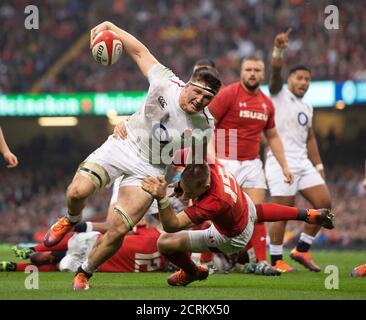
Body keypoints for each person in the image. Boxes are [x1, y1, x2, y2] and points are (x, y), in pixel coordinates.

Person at [42, 21, 221, 290]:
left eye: (206, 100)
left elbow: (198, 163)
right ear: (188, 84)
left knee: (118, 230)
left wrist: (179, 187)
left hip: (150, 170)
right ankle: (71, 219)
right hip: (123, 144)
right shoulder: (164, 80)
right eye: (197, 93)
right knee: (76, 192)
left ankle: (84, 273)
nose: (199, 101)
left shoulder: (204, 124)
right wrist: (111, 27)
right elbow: (138, 51)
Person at [142, 159, 334, 287]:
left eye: (190, 194)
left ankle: (191, 272)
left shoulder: (213, 202)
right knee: (256, 211)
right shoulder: (212, 166)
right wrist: (179, 184)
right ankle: (308, 214)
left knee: (164, 242)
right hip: (245, 207)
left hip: (232, 238)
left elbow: (171, 225)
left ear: (206, 187)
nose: (186, 197)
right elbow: (186, 163)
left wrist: (162, 199)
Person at [208, 56, 294, 267]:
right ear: (241, 72)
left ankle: (262, 262)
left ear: (262, 74)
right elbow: (207, 126)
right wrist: (211, 160)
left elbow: (272, 136)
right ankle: (206, 261)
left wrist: (284, 166)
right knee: (214, 212)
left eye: (257, 69)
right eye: (248, 69)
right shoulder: (229, 94)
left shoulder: (266, 103)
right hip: (225, 162)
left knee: (256, 213)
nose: (252, 73)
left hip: (252, 163)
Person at [266, 29, 332, 272]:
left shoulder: (307, 106)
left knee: (324, 203)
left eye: (307, 79)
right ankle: (275, 260)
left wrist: (319, 166)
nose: (303, 82)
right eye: (299, 78)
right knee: (282, 211)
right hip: (279, 160)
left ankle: (302, 249)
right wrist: (279, 50)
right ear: (290, 79)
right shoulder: (278, 94)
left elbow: (310, 137)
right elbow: (274, 73)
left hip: (303, 162)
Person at [2, 217, 166, 273]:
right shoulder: (163, 264)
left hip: (97, 245)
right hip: (96, 266)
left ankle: (33, 249)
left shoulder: (152, 234)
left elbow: (119, 228)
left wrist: (83, 225)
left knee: (73, 235)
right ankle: (12, 266)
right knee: (57, 264)